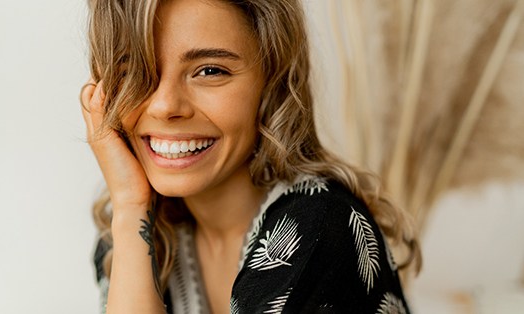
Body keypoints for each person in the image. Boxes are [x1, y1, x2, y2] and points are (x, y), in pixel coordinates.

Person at [80, 0, 421, 313]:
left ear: (271, 82)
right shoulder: (131, 234)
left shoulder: (318, 225)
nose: (165, 105)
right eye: (132, 71)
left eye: (210, 71)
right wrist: (129, 206)